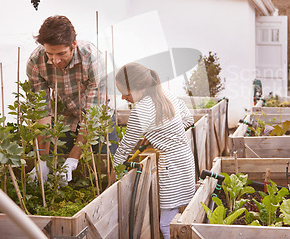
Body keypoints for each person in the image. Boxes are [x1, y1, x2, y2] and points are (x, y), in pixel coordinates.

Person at [26, 15, 114, 184]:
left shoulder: (92, 59)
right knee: (64, 178)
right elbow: (42, 111)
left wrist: (73, 159)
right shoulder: (36, 62)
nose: (55, 60)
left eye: (61, 53)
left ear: (73, 45)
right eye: (50, 53)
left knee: (103, 173)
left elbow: (91, 116)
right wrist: (42, 160)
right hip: (65, 117)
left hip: (97, 120)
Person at [112, 63, 195, 239]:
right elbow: (188, 119)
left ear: (139, 89)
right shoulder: (166, 95)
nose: (122, 97)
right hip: (186, 159)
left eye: (125, 93)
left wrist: (113, 171)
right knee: (187, 214)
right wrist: (161, 133)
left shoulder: (140, 111)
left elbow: (126, 146)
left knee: (166, 223)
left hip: (170, 167)